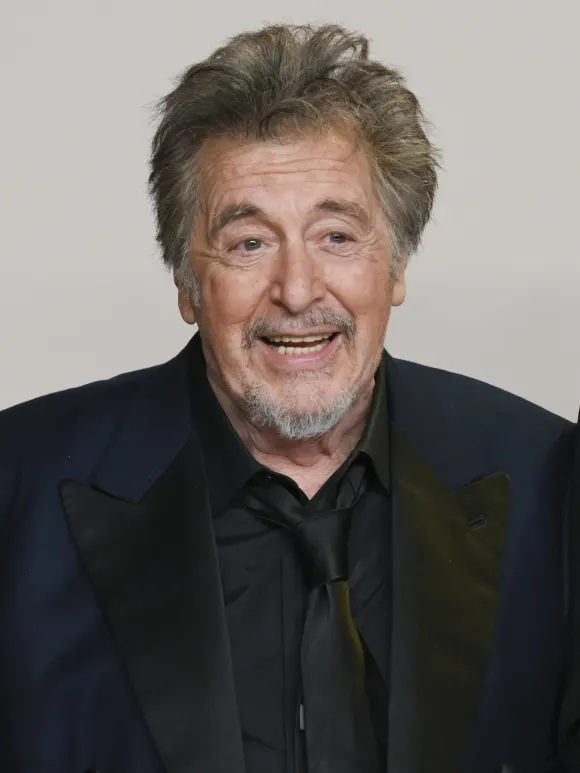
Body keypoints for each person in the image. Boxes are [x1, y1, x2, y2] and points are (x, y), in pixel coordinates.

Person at [0, 23, 574, 773]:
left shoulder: (553, 485)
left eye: (337, 236)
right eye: (248, 243)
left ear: (395, 268)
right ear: (185, 282)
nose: (298, 290)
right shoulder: (17, 486)